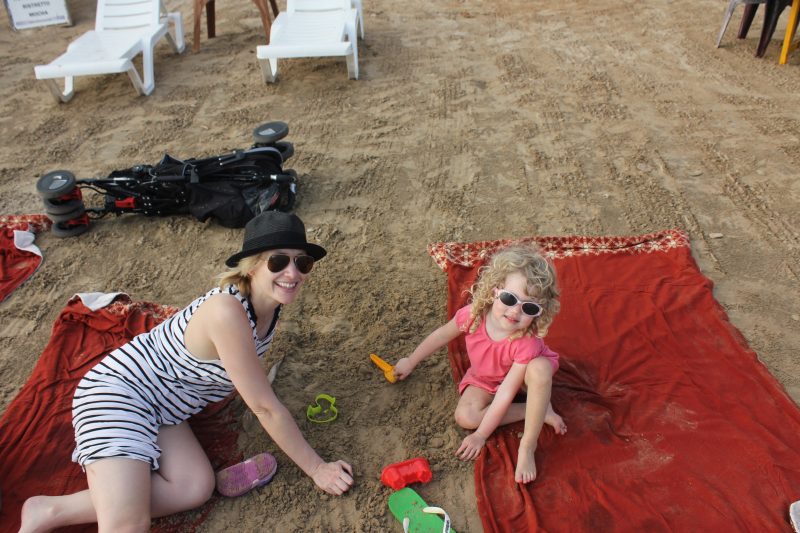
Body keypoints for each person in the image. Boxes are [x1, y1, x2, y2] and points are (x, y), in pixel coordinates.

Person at [19, 211, 354, 533]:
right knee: (129, 525)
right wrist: (317, 469)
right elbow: (264, 406)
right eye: (278, 261)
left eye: (302, 262)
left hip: (165, 409)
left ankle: (51, 510)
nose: (293, 273)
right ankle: (93, 505)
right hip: (119, 392)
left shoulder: (269, 304)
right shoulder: (227, 311)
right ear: (252, 267)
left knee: (195, 488)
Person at [393, 244, 567, 484]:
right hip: (485, 378)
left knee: (540, 368)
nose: (515, 311)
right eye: (509, 298)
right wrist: (410, 361)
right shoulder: (472, 315)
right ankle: (536, 410)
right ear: (495, 291)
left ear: (539, 312)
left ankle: (528, 445)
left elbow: (506, 391)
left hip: (520, 380)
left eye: (528, 307)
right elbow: (441, 335)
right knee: (465, 416)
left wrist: (481, 435)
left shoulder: (525, 341)